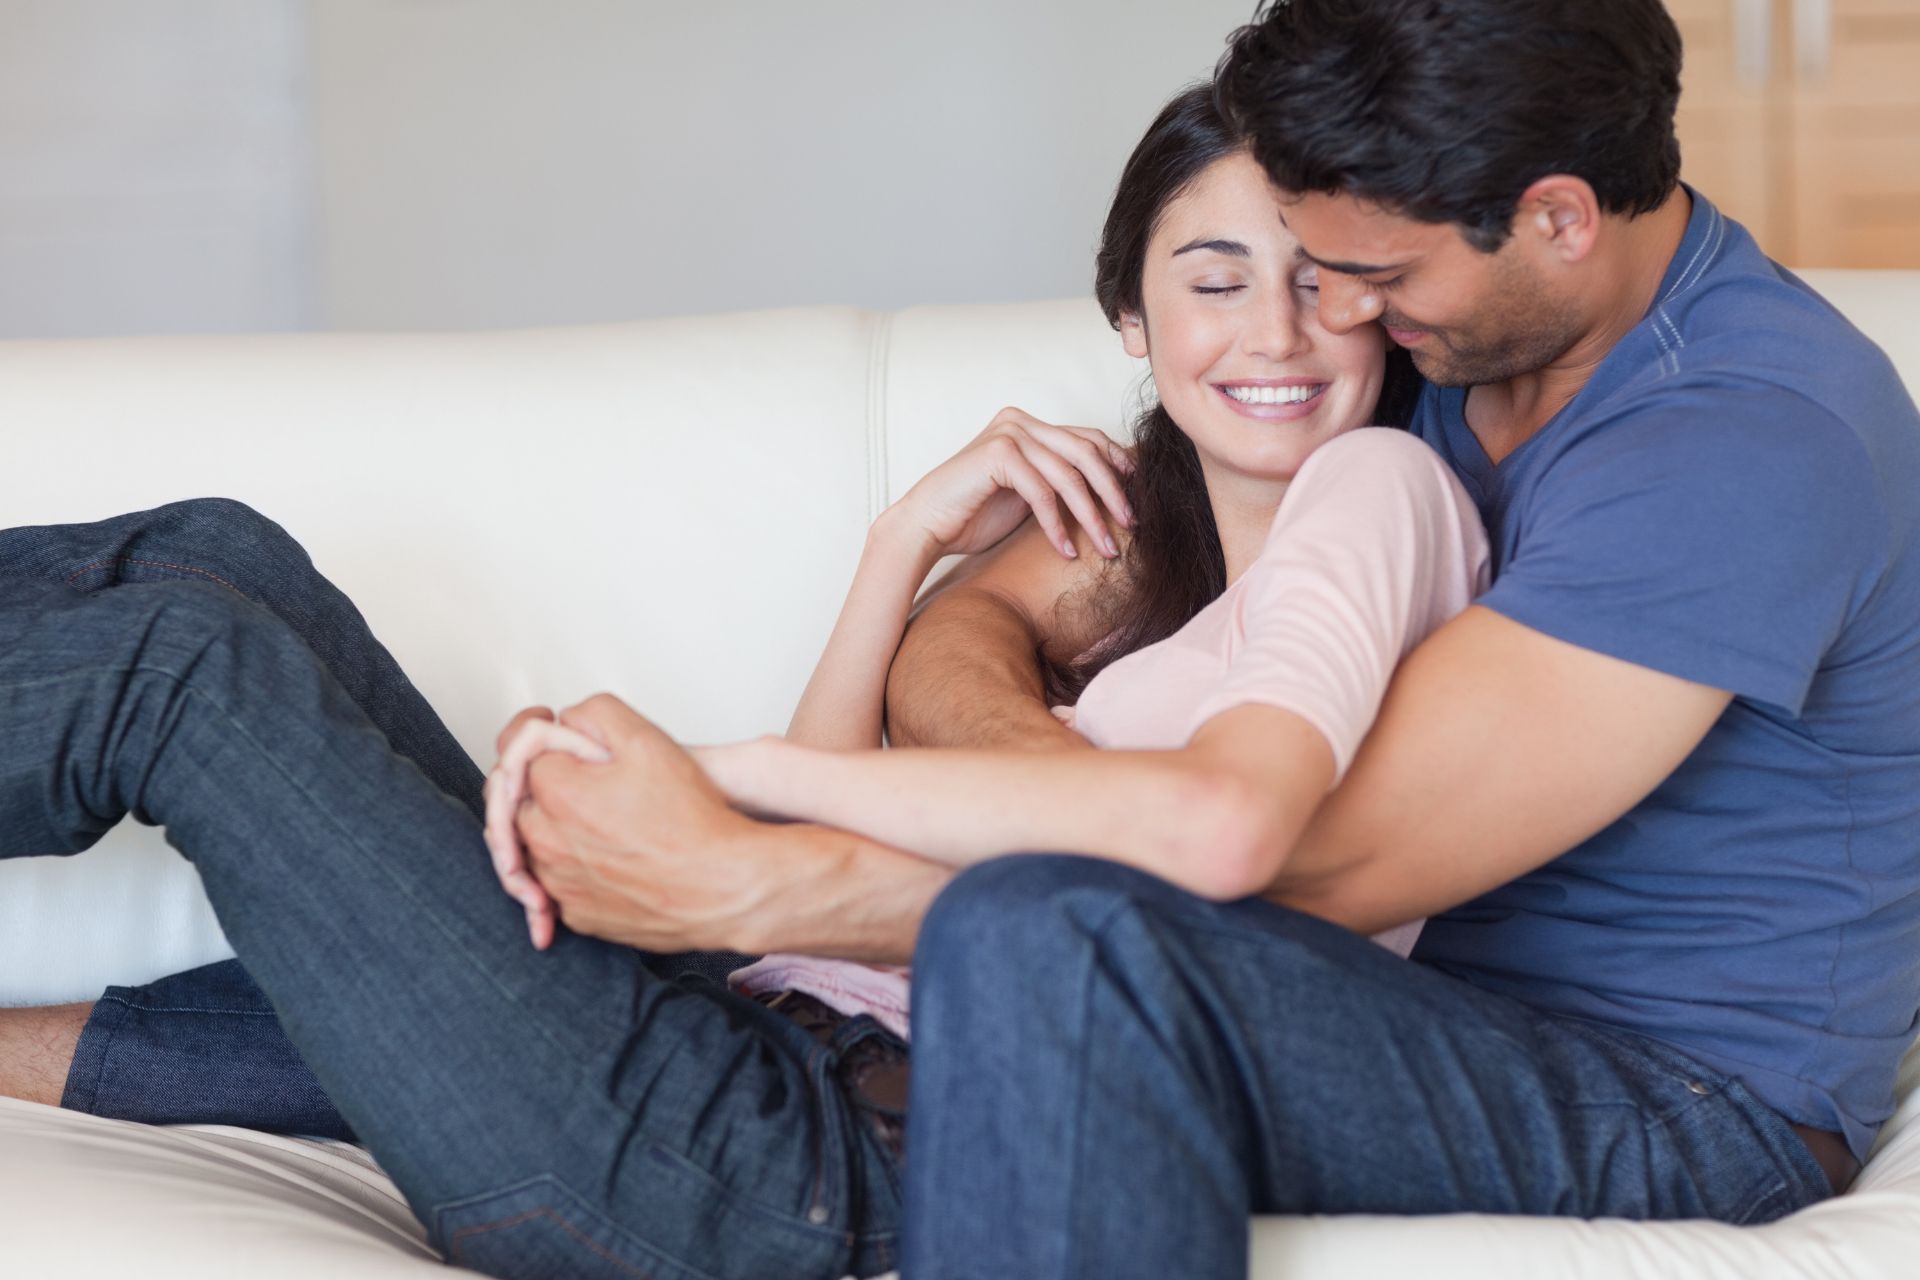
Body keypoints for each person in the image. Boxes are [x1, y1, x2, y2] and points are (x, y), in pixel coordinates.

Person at [0, 82, 1476, 1279]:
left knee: (188, 665)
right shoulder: (1174, 593)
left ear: (1388, 310)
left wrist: (734, 771)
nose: (1276, 332)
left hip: (787, 1158)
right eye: (1217, 281)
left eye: (1325, 285)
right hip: (730, 1032)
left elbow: (1206, 845)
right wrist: (902, 545)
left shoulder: (1375, 486)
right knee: (220, 561)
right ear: (1136, 331)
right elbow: (796, 870)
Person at [879, 2, 1920, 1276]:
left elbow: (1308, 857)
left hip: (1683, 1097)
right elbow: (974, 614)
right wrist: (1017, 748)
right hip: (1404, 1011)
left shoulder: (1747, 438)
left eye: (1376, 273)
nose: (1335, 314)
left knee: (1057, 946)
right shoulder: (1456, 344)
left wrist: (793, 874)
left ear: (1558, 218)